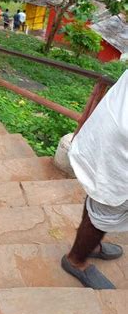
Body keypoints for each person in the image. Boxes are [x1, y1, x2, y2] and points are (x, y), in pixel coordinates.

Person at [62, 71, 128, 289]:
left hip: (111, 131)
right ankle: (75, 260)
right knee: (105, 204)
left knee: (98, 196)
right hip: (119, 146)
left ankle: (91, 245)